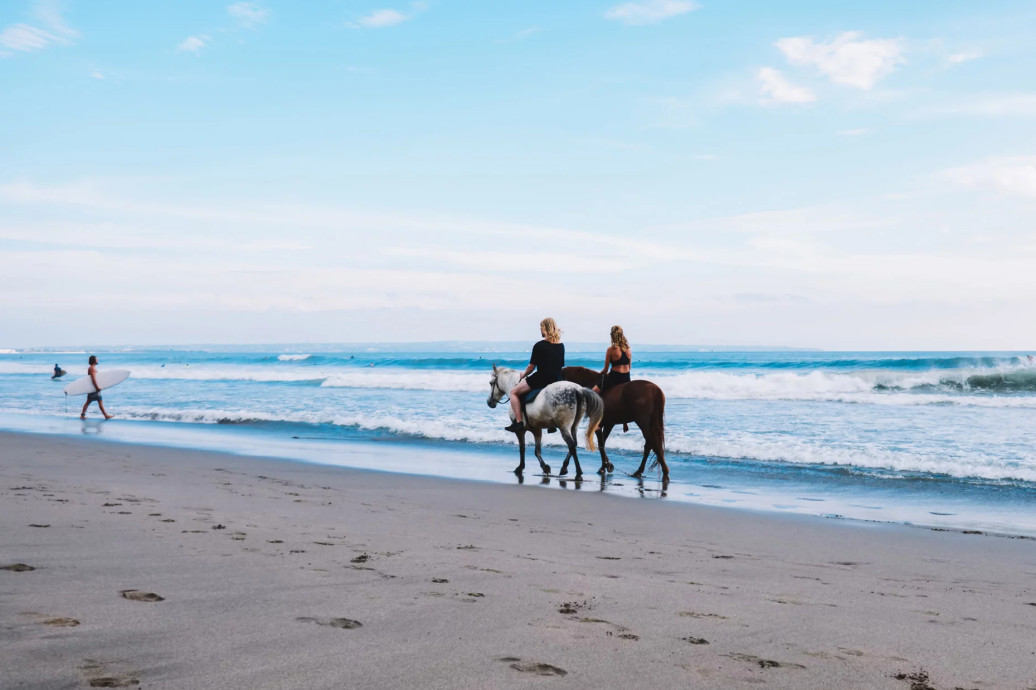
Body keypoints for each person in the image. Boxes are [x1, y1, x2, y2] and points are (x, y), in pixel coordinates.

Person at [505, 317, 565, 432]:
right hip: (557, 379)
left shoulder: (539, 345)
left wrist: (523, 375)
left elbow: (531, 367)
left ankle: (519, 422)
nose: (540, 330)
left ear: (545, 328)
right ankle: (552, 424)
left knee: (513, 392)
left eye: (541, 327)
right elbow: (560, 365)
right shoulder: (561, 345)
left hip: (542, 378)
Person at [597, 325, 632, 392]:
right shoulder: (628, 350)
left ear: (612, 336)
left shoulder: (610, 350)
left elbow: (605, 370)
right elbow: (629, 367)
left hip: (615, 378)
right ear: (622, 335)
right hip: (626, 378)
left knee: (593, 391)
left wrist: (600, 374)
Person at [80, 355, 113, 420]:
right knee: (99, 401)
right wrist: (97, 387)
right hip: (94, 388)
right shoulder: (92, 368)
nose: (97, 360)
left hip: (92, 388)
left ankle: (82, 415)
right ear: (94, 361)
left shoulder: (91, 368)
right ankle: (106, 415)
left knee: (89, 402)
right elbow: (93, 379)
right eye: (96, 359)